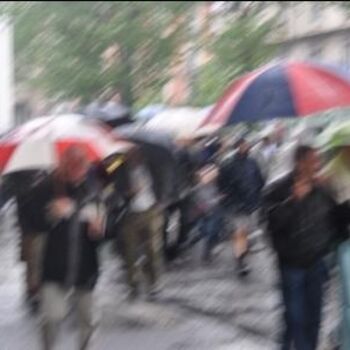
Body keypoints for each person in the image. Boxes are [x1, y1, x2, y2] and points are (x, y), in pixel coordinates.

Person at [25, 146, 106, 350]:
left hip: (85, 268)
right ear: (64, 166)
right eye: (74, 169)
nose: (78, 174)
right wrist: (52, 213)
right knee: (52, 316)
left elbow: (105, 229)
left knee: (87, 319)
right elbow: (32, 223)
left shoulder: (92, 188)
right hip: (53, 267)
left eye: (82, 169)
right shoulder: (45, 188)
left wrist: (99, 230)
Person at [263, 145, 343, 350]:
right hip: (291, 265)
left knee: (314, 315)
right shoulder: (278, 189)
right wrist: (293, 201)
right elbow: (271, 224)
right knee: (295, 316)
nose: (317, 165)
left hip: (317, 262)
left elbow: (338, 219)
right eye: (313, 161)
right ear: (299, 163)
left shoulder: (322, 189)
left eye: (318, 161)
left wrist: (338, 196)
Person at [115, 147, 163, 301]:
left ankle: (153, 283)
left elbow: (162, 184)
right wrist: (128, 192)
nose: (134, 154)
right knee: (130, 252)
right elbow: (116, 190)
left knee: (152, 250)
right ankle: (132, 284)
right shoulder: (120, 169)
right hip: (130, 215)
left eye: (137, 151)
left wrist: (160, 202)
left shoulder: (153, 166)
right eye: (131, 152)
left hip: (151, 211)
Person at [218, 137, 265, 277]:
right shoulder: (229, 164)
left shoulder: (252, 162)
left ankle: (241, 257)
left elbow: (260, 180)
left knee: (244, 233)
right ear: (238, 146)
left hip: (249, 203)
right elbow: (222, 184)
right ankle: (240, 262)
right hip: (236, 204)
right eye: (243, 145)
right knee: (240, 232)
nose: (246, 147)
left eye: (247, 145)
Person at [191, 164, 224, 263]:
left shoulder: (214, 186)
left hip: (213, 212)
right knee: (206, 231)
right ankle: (206, 249)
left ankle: (207, 252)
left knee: (211, 232)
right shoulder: (198, 188)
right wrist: (216, 200)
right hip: (204, 213)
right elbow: (199, 201)